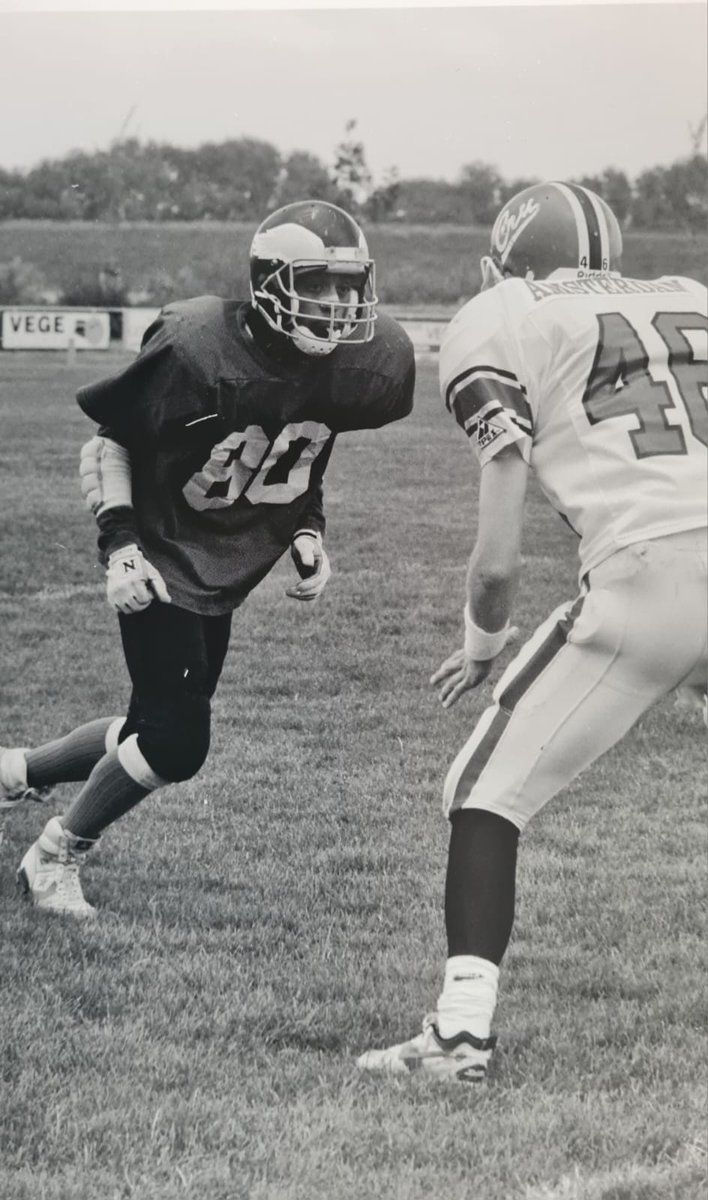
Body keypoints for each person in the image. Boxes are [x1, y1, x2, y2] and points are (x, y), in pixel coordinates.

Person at [357, 181, 707, 1083]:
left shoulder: (500, 312)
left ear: (497, 265)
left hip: (652, 579)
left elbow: (498, 556)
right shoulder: (689, 295)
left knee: (483, 790)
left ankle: (459, 1037)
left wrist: (483, 641)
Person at [2, 200, 415, 918]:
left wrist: (307, 530)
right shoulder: (198, 347)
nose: (339, 304)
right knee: (175, 740)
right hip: (161, 552)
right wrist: (121, 548)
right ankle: (55, 855)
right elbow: (113, 442)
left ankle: (17, 770)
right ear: (271, 282)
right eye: (319, 284)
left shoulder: (360, 364)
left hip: (220, 562)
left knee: (150, 725)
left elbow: (303, 448)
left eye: (350, 287)